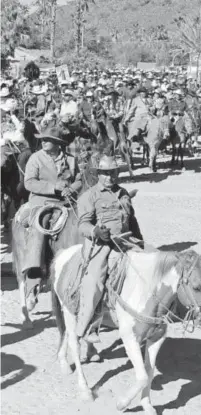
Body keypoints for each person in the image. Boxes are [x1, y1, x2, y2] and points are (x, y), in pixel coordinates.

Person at [77, 155, 143, 343]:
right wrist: (96, 231)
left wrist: (140, 243)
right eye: (105, 173)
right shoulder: (89, 196)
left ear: (118, 173)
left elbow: (132, 221)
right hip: (101, 245)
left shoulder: (123, 193)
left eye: (112, 173)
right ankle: (88, 325)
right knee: (95, 280)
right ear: (98, 174)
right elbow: (82, 225)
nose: (109, 177)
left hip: (125, 241)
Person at [22, 126, 82, 276]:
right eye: (42, 140)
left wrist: (72, 188)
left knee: (85, 219)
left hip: (67, 201)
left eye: (47, 140)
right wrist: (53, 187)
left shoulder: (70, 159)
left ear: (57, 143)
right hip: (43, 201)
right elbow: (29, 182)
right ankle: (33, 266)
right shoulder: (35, 158)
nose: (43, 142)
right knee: (39, 225)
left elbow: (80, 179)